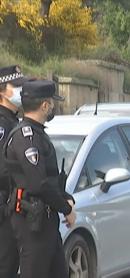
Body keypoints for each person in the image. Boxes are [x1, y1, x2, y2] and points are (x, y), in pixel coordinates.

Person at [3, 80, 77, 278]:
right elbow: (38, 183)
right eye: (52, 103)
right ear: (45, 106)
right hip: (32, 221)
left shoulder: (37, 133)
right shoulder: (26, 137)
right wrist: (66, 209)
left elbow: (51, 178)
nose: (53, 107)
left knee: (58, 272)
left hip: (45, 220)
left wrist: (65, 196)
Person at [0, 65, 32, 277]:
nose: (21, 90)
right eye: (16, 86)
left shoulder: (13, 121)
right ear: (2, 91)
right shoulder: (2, 124)